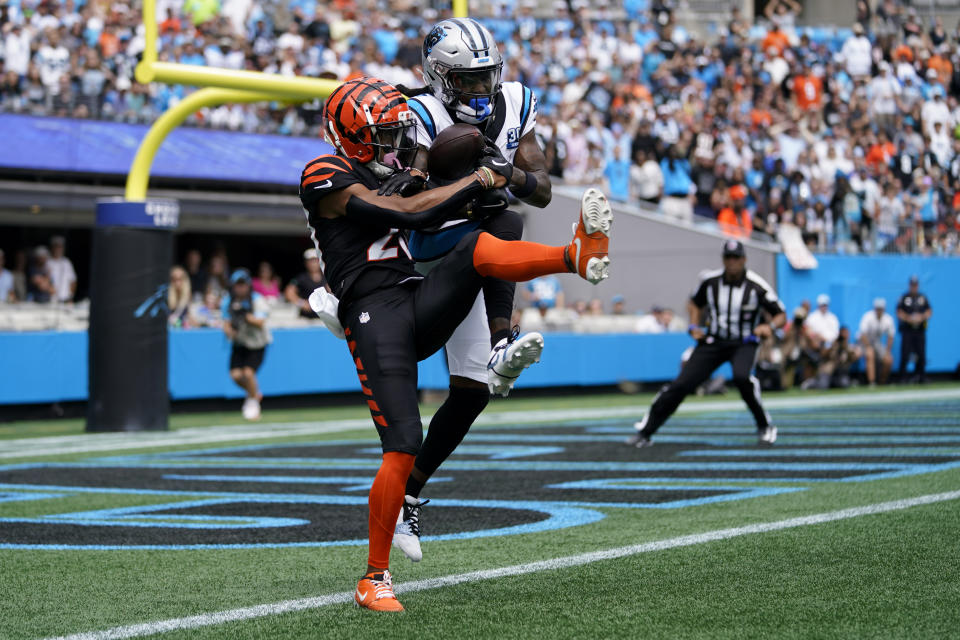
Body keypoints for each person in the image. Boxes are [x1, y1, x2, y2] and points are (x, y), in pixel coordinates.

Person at [299, 76, 612, 612]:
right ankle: (374, 578)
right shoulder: (323, 173)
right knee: (402, 441)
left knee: (479, 242)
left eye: (396, 131)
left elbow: (429, 190)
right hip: (373, 314)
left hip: (413, 294)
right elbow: (408, 214)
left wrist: (476, 165)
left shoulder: (389, 165)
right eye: (383, 134)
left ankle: (573, 257)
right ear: (349, 138)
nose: (395, 143)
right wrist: (479, 179)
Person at [390, 17, 557, 564]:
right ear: (439, 78)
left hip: (479, 252)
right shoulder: (418, 111)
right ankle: (503, 338)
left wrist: (505, 174)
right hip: (428, 248)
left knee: (472, 391)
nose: (479, 91)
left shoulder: (517, 103)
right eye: (466, 81)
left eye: (485, 78)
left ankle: (409, 495)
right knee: (501, 224)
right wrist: (450, 178)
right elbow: (406, 188)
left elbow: (544, 192)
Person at [626, 240, 786, 448]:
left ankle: (765, 426)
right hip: (714, 341)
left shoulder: (756, 285)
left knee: (742, 378)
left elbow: (781, 314)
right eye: (728, 258)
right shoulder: (710, 282)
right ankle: (646, 432)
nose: (732, 262)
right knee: (682, 384)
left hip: (744, 342)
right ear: (723, 259)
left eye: (736, 258)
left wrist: (770, 327)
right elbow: (694, 302)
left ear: (744, 259)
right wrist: (693, 326)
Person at [221, 268, 271, 421]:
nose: (240, 288)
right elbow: (226, 324)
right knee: (235, 375)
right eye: (238, 285)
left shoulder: (257, 300)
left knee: (248, 373)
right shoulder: (228, 302)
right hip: (240, 342)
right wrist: (230, 330)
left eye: (243, 284)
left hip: (257, 343)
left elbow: (261, 322)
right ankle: (254, 392)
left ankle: (252, 401)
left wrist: (246, 316)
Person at [897, 275, 932, 383]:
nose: (914, 287)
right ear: (909, 285)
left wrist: (921, 317)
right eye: (912, 285)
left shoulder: (922, 298)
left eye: (915, 285)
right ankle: (903, 377)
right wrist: (909, 318)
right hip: (908, 330)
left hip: (920, 330)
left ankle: (921, 376)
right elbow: (899, 311)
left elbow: (929, 311)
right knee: (905, 353)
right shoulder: (904, 298)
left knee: (921, 353)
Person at [858, 297, 895, 386]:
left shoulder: (888, 319)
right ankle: (872, 382)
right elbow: (862, 335)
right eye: (877, 309)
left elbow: (890, 336)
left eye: (881, 309)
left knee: (888, 360)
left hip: (876, 343)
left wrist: (887, 351)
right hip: (864, 342)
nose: (879, 311)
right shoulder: (868, 316)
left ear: (884, 309)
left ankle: (882, 382)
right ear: (874, 308)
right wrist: (868, 346)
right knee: (870, 354)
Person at [284, 248, 325, 318]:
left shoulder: (327, 278)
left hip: (323, 319)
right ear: (306, 263)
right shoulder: (301, 278)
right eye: (310, 261)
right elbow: (289, 293)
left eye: (315, 261)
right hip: (306, 319)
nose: (313, 264)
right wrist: (301, 303)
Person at [47, 236, 77, 303]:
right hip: (50, 300)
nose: (58, 249)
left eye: (60, 247)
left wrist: (71, 297)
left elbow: (73, 281)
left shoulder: (66, 262)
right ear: (52, 248)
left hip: (65, 300)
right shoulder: (47, 262)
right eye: (56, 247)